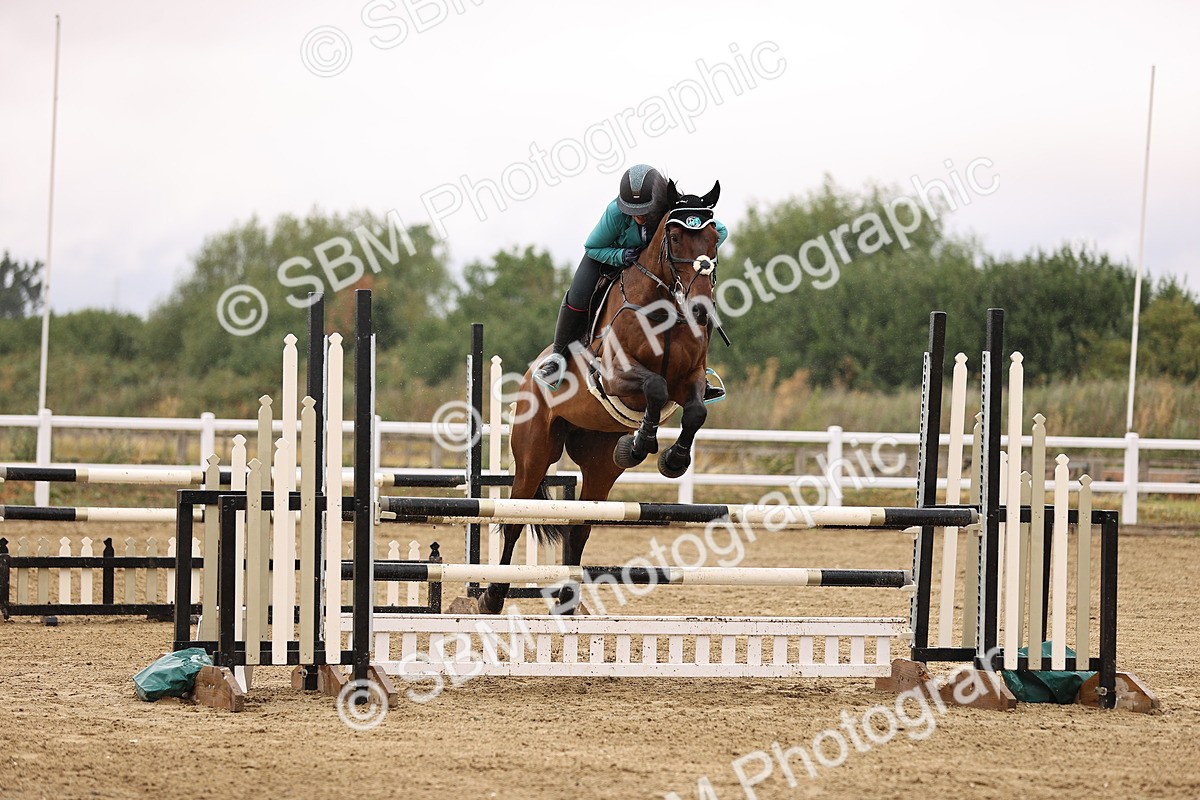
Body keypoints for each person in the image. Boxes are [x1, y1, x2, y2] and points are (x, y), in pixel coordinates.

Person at [533, 164, 728, 402]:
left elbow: (719, 231)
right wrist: (620, 256)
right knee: (578, 295)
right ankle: (558, 358)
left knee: (702, 301)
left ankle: (700, 372)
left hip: (659, 267)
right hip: (607, 257)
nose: (638, 216)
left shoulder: (673, 212)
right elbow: (592, 247)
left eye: (646, 210)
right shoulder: (615, 213)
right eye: (633, 210)